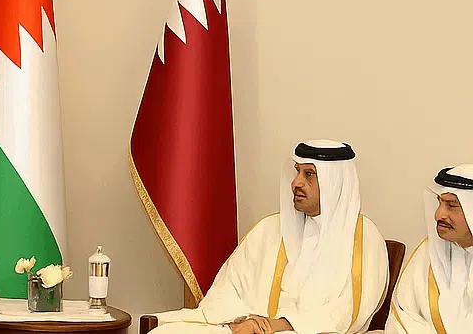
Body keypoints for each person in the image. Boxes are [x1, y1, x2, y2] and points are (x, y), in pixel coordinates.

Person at [150, 140, 389, 334]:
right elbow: (229, 286)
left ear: (335, 183)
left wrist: (278, 325)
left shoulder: (364, 239)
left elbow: (349, 312)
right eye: (297, 172)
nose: (296, 183)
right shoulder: (269, 228)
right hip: (249, 326)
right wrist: (244, 321)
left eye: (309, 175)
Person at [383, 165, 473, 333]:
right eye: (439, 203)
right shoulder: (429, 252)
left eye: (452, 206)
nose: (438, 215)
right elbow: (404, 314)